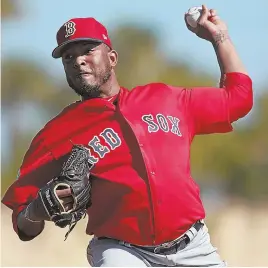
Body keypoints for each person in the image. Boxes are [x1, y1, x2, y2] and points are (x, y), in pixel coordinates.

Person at [2, 5, 253, 267]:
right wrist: (34, 213)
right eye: (68, 57)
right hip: (122, 251)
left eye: (88, 50)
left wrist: (219, 37)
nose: (78, 60)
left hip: (193, 246)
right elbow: (22, 223)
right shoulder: (57, 133)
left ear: (112, 58)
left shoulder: (167, 99)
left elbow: (239, 99)